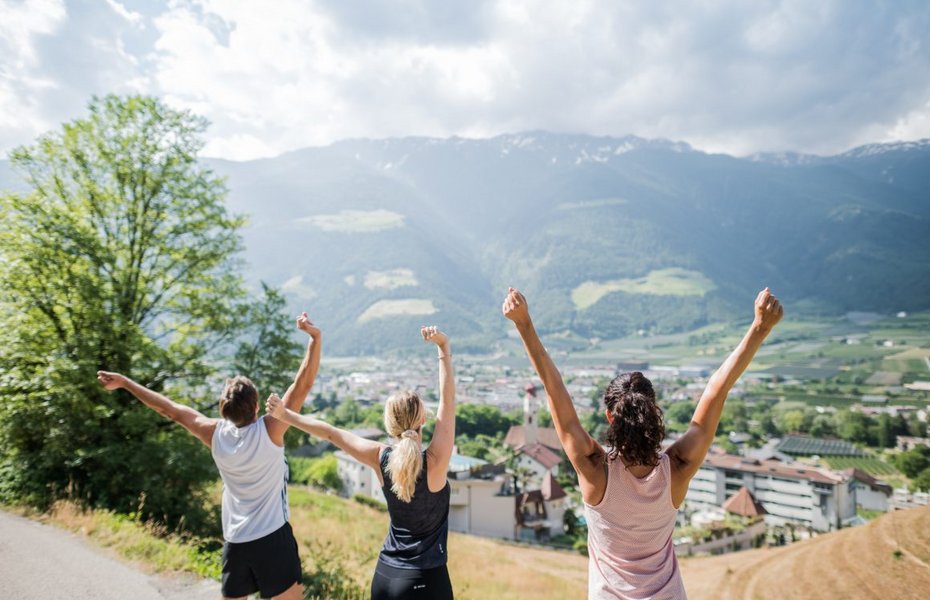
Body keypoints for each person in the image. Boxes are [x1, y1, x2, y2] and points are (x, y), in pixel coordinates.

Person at [503, 287, 783, 599]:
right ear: (652, 409)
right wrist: (760, 327)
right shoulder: (678, 467)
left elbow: (553, 390)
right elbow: (717, 389)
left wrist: (524, 324)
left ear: (611, 417)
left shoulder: (594, 468)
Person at [96, 312, 323, 600]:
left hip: (236, 541)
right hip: (273, 538)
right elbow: (302, 384)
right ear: (256, 408)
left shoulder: (214, 434)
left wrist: (126, 382)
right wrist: (314, 337)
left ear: (223, 411)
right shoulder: (270, 429)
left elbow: (171, 410)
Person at [265, 325, 455, 600]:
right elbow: (447, 401)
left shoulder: (381, 458)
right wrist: (443, 348)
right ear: (423, 419)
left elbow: (331, 432)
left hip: (385, 577)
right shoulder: (436, 462)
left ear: (389, 425)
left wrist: (286, 415)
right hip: (426, 581)